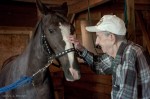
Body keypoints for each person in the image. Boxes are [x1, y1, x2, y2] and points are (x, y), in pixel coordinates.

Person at [68, 15, 150, 99]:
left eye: (99, 36)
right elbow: (99, 66)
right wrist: (81, 49)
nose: (96, 42)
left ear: (111, 38)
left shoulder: (129, 55)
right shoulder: (120, 51)